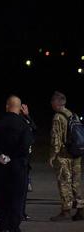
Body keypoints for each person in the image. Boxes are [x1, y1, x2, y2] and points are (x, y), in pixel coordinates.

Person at [0, 96, 34, 232]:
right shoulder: (24, 124)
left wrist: (0, 155)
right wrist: (14, 157)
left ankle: (3, 226)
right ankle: (14, 226)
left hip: (1, 167)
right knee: (17, 198)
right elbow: (27, 146)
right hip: (18, 167)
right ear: (19, 108)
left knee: (2, 197)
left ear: (7, 106)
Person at [49, 92, 83, 222]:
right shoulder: (72, 115)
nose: (51, 104)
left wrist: (53, 155)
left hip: (64, 155)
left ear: (57, 103)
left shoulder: (58, 117)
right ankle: (80, 209)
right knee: (76, 182)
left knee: (64, 181)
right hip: (76, 153)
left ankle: (66, 211)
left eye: (52, 101)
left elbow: (56, 138)